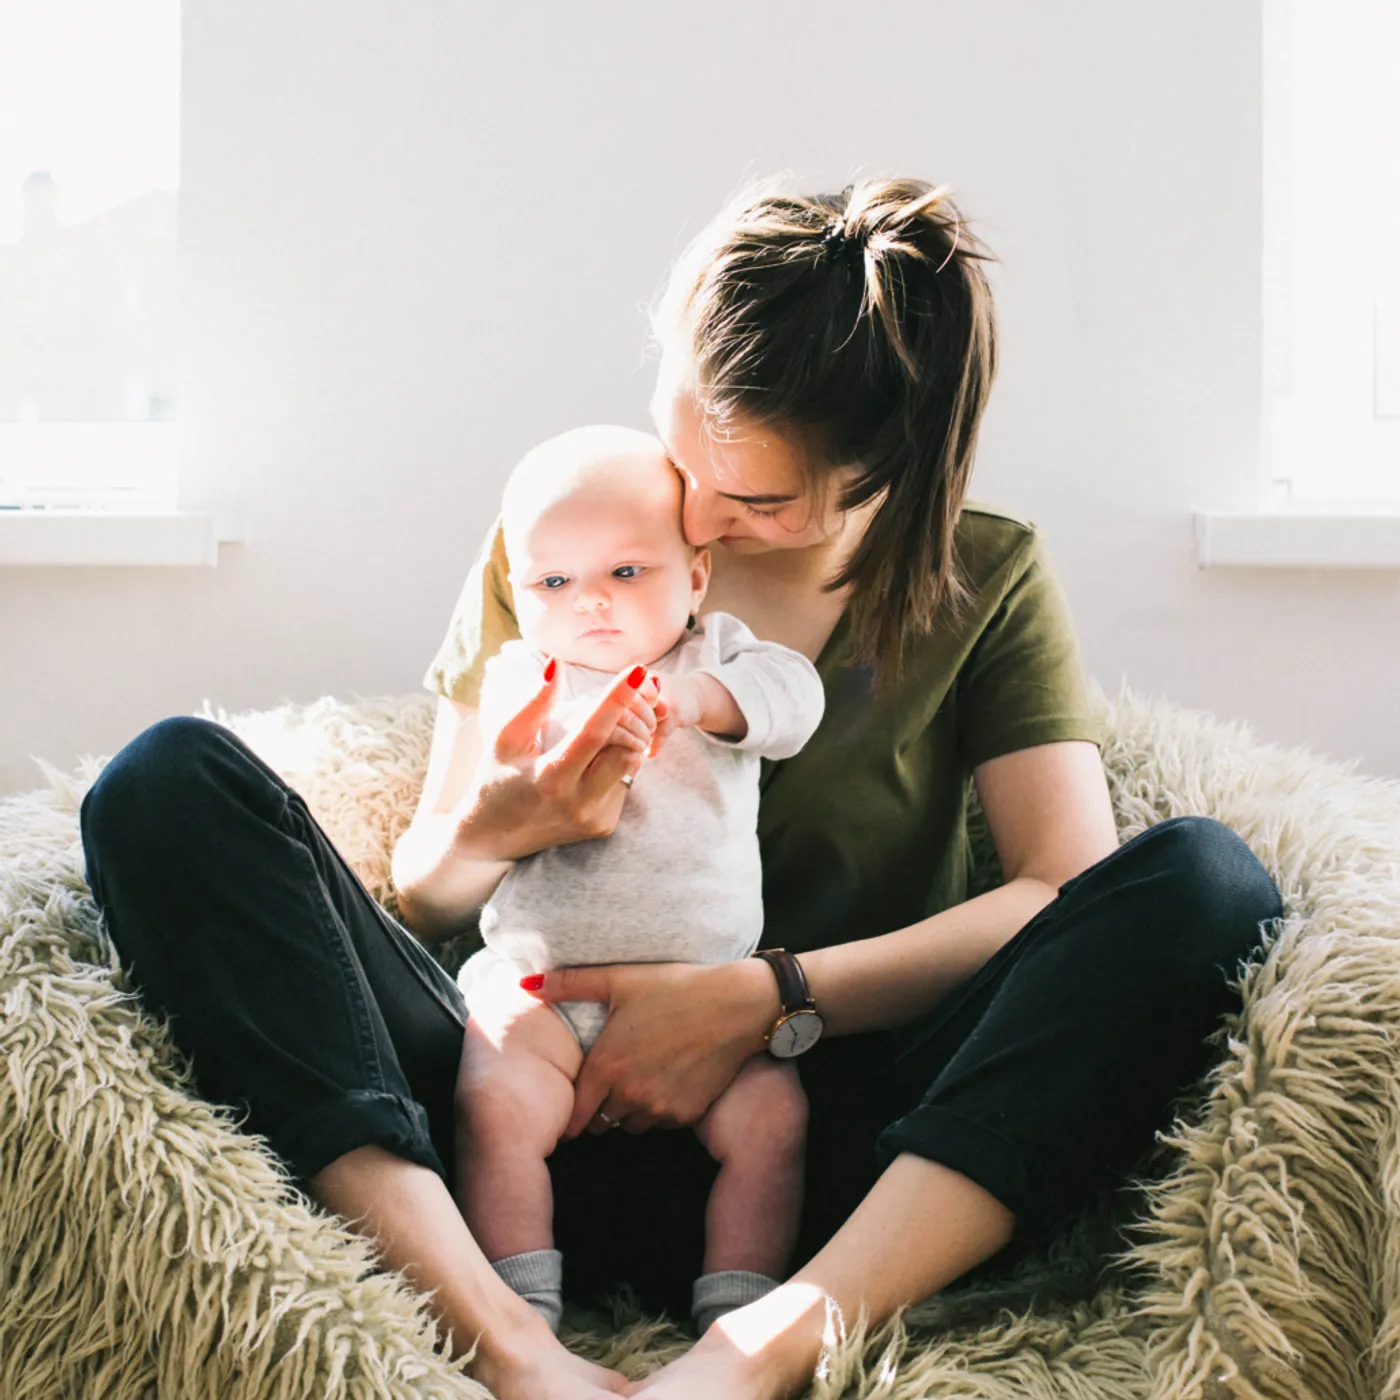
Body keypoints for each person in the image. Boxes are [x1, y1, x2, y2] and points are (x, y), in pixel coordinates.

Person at [77, 176, 1283, 1400]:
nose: (694, 515)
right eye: (683, 442)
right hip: (511, 1107)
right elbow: (426, 902)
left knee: (1204, 882)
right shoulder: (573, 534)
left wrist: (761, 1001)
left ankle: (763, 1346)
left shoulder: (985, 576)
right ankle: (495, 1332)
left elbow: (1054, 890)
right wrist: (501, 827)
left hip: (815, 1148)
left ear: (883, 470)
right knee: (164, 783)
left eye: (755, 500)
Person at [453, 424, 823, 1340]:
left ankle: (735, 1314)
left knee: (774, 1124)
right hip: (543, 993)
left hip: (711, 1001)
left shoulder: (717, 660)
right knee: (490, 1107)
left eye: (627, 573)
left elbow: (796, 701)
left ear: (695, 578)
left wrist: (699, 702)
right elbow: (497, 754)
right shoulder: (524, 674)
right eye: (554, 582)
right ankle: (520, 1310)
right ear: (517, 592)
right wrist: (538, 730)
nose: (592, 605)